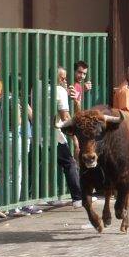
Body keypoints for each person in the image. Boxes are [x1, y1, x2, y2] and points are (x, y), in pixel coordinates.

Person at [55, 68, 82, 207]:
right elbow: (65, 116)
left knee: (42, 164)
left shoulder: (37, 86)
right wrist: (75, 136)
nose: (65, 81)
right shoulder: (59, 91)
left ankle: (46, 195)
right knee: (70, 163)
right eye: (62, 78)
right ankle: (78, 197)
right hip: (56, 134)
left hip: (40, 134)